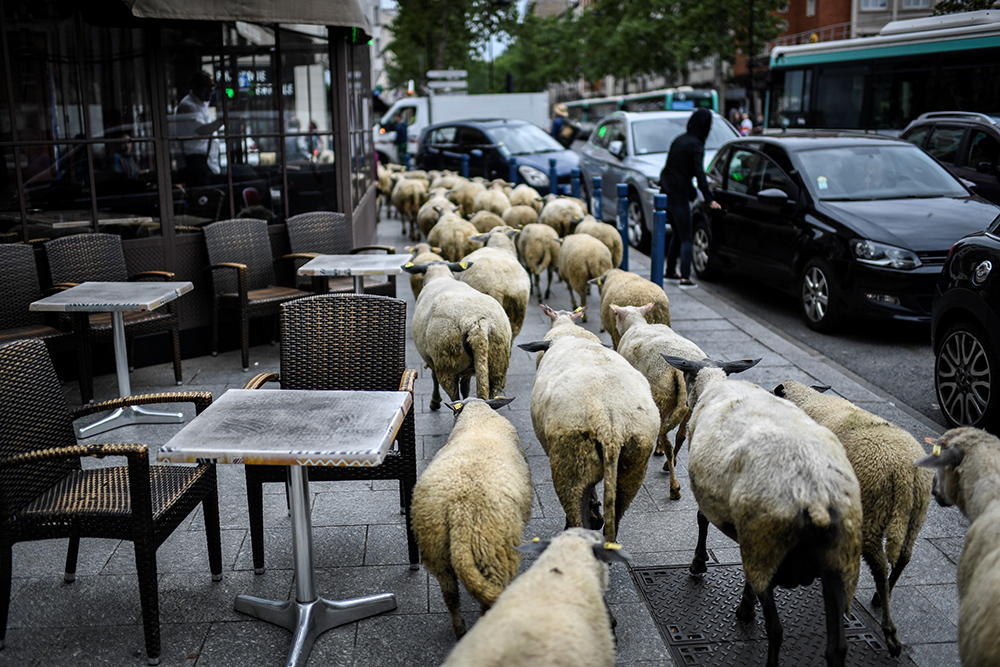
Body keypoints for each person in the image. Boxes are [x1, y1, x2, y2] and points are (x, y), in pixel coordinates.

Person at [659, 108, 722, 288]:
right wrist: (710, 199)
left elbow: (673, 168)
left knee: (677, 234)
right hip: (679, 195)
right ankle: (685, 277)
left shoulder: (679, 140)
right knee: (686, 236)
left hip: (666, 192)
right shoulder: (696, 145)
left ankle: (670, 271)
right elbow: (699, 174)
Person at [174, 71, 226, 186]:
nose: (211, 91)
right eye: (207, 87)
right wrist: (224, 119)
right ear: (195, 87)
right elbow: (202, 130)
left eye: (213, 87)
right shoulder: (187, 106)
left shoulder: (200, 103)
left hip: (205, 161)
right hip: (195, 162)